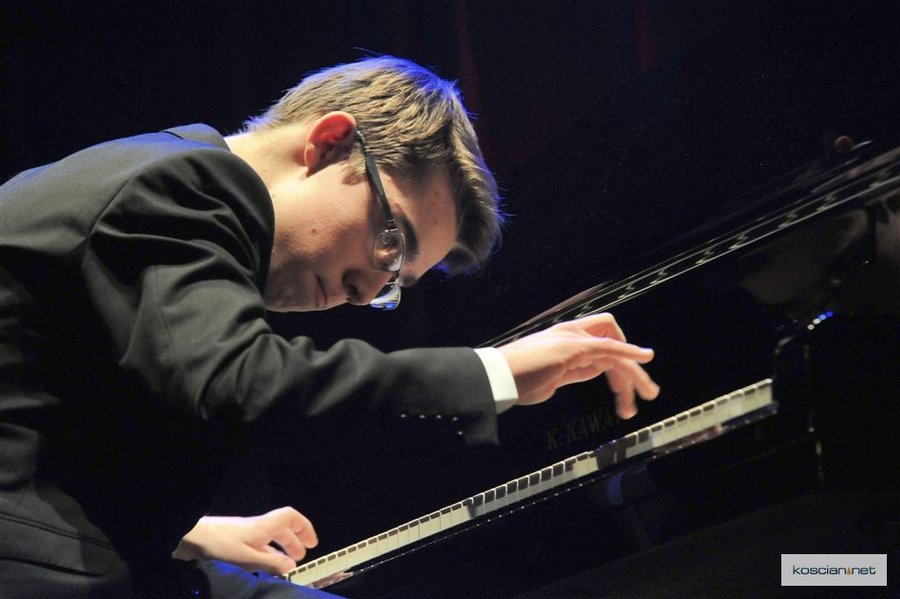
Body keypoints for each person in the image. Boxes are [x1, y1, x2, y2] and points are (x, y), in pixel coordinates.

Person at [0, 56, 659, 598]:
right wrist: (495, 372)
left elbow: (43, 415)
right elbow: (240, 385)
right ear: (329, 143)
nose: (370, 290)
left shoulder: (168, 188)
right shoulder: (184, 186)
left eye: (396, 283)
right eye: (391, 241)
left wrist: (191, 533)